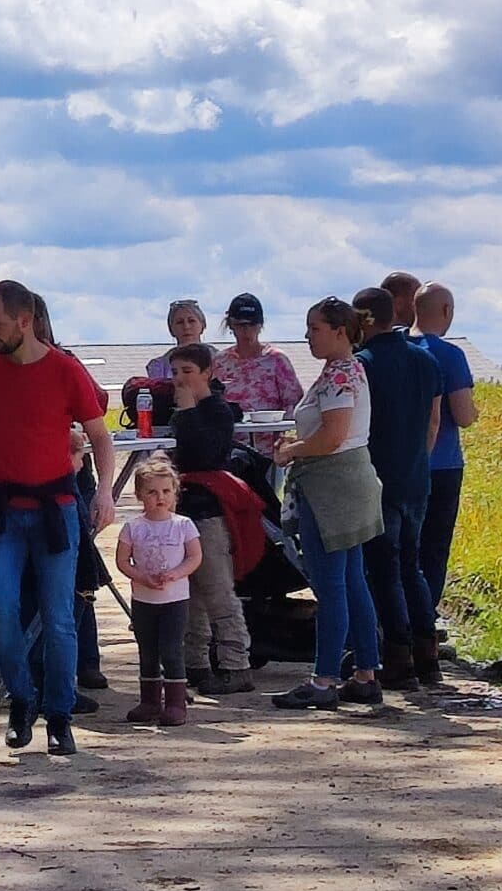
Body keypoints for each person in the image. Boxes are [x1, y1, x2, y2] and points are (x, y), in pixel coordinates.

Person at [0, 281, 115, 756]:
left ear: (25, 320)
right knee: (2, 613)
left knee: (61, 618)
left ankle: (59, 715)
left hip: (55, 508)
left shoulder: (64, 370)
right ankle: (22, 700)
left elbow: (101, 437)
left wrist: (103, 492)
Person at [273, 300, 387, 711]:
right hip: (348, 483)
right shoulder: (346, 369)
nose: (308, 335)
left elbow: (332, 436)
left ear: (340, 331)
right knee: (352, 579)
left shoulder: (340, 373)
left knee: (330, 584)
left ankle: (323, 680)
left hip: (332, 488)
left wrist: (292, 451)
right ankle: (366, 671)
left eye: (314, 328)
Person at [353, 286, 442, 691]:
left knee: (384, 569)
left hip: (378, 475)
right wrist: (417, 460)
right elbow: (434, 422)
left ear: (366, 319)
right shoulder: (426, 359)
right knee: (413, 565)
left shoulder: (363, 364)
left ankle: (398, 657)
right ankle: (428, 654)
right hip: (416, 474)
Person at [166, 344, 255, 694]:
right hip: (186, 509)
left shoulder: (217, 410)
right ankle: (196, 662)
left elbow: (205, 454)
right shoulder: (181, 413)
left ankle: (236, 663)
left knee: (218, 588)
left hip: (211, 510)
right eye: (175, 373)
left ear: (207, 372)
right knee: (190, 594)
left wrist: (188, 414)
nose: (180, 380)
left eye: (187, 371)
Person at [116, 458, 200, 726]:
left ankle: (175, 702)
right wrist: (141, 576)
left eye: (166, 491)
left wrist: (176, 573)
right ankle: (149, 701)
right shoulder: (133, 527)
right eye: (152, 492)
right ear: (140, 495)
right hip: (143, 599)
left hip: (174, 599)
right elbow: (122, 561)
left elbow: (195, 557)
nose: (159, 498)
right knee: (147, 649)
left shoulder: (183, 525)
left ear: (175, 492)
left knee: (171, 649)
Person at [414, 283, 477, 626]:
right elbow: (464, 416)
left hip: (395, 464)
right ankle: (424, 625)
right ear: (447, 312)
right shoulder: (450, 356)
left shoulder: (396, 348)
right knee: (433, 550)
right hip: (442, 464)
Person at [211, 294, 303, 457]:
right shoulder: (219, 361)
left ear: (261, 326)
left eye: (252, 325)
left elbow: (293, 403)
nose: (246, 331)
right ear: (231, 326)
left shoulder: (276, 359)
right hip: (229, 450)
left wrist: (286, 442)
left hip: (269, 452)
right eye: (240, 325)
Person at [145, 300, 207, 383]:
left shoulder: (220, 361)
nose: (186, 326)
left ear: (202, 325)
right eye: (179, 322)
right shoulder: (159, 366)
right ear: (171, 329)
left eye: (191, 321)